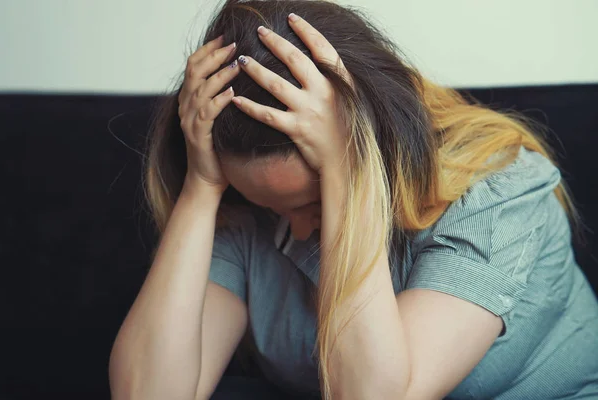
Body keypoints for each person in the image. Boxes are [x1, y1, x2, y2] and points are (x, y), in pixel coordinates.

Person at [108, 1, 598, 399]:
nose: (294, 232)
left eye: (309, 204)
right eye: (272, 208)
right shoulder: (248, 205)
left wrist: (346, 171)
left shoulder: (499, 189)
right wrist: (201, 187)